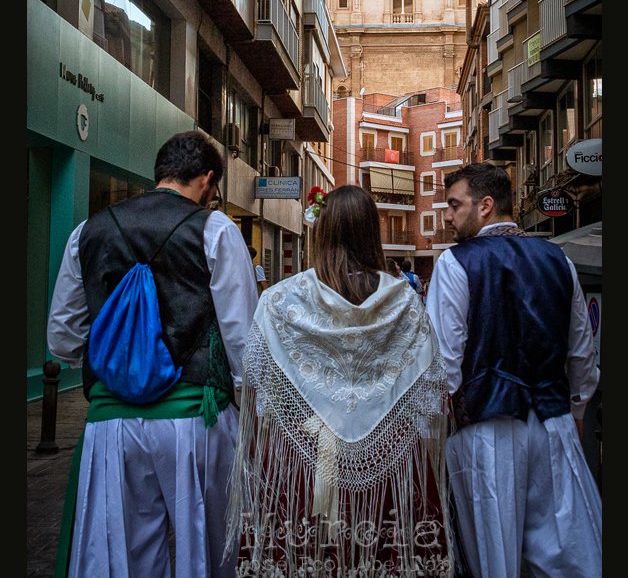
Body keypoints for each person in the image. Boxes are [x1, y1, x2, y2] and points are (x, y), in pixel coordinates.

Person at [47, 128, 259, 578]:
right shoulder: (216, 230)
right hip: (195, 419)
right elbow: (243, 338)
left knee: (124, 558)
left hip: (111, 425)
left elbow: (63, 338)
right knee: (205, 549)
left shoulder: (87, 232)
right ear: (207, 179)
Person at [224, 184, 455, 575]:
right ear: (372, 231)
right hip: (389, 460)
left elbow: (262, 394)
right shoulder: (404, 301)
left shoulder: (280, 300)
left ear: (323, 229)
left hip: (302, 459)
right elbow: (428, 393)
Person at [426, 162, 602, 578]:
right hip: (553, 424)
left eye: (454, 204)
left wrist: (433, 433)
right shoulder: (558, 260)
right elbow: (582, 352)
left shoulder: (455, 263)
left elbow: (443, 366)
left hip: (485, 432)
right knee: (568, 557)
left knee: (495, 560)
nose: (448, 216)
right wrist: (575, 413)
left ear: (485, 205)